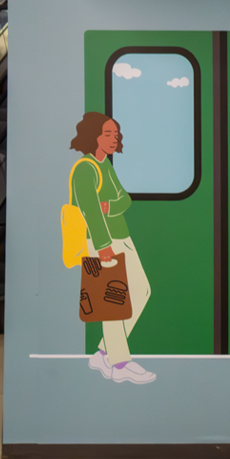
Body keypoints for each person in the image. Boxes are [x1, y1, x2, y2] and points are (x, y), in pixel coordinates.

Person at [70, 112, 155, 384]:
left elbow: (125, 200)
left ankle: (103, 353)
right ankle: (119, 364)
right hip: (100, 241)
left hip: (121, 237)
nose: (114, 138)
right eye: (107, 133)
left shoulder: (104, 165)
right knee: (113, 301)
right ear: (93, 136)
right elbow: (90, 210)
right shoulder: (85, 168)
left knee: (141, 291)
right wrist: (103, 245)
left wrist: (109, 206)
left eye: (115, 134)